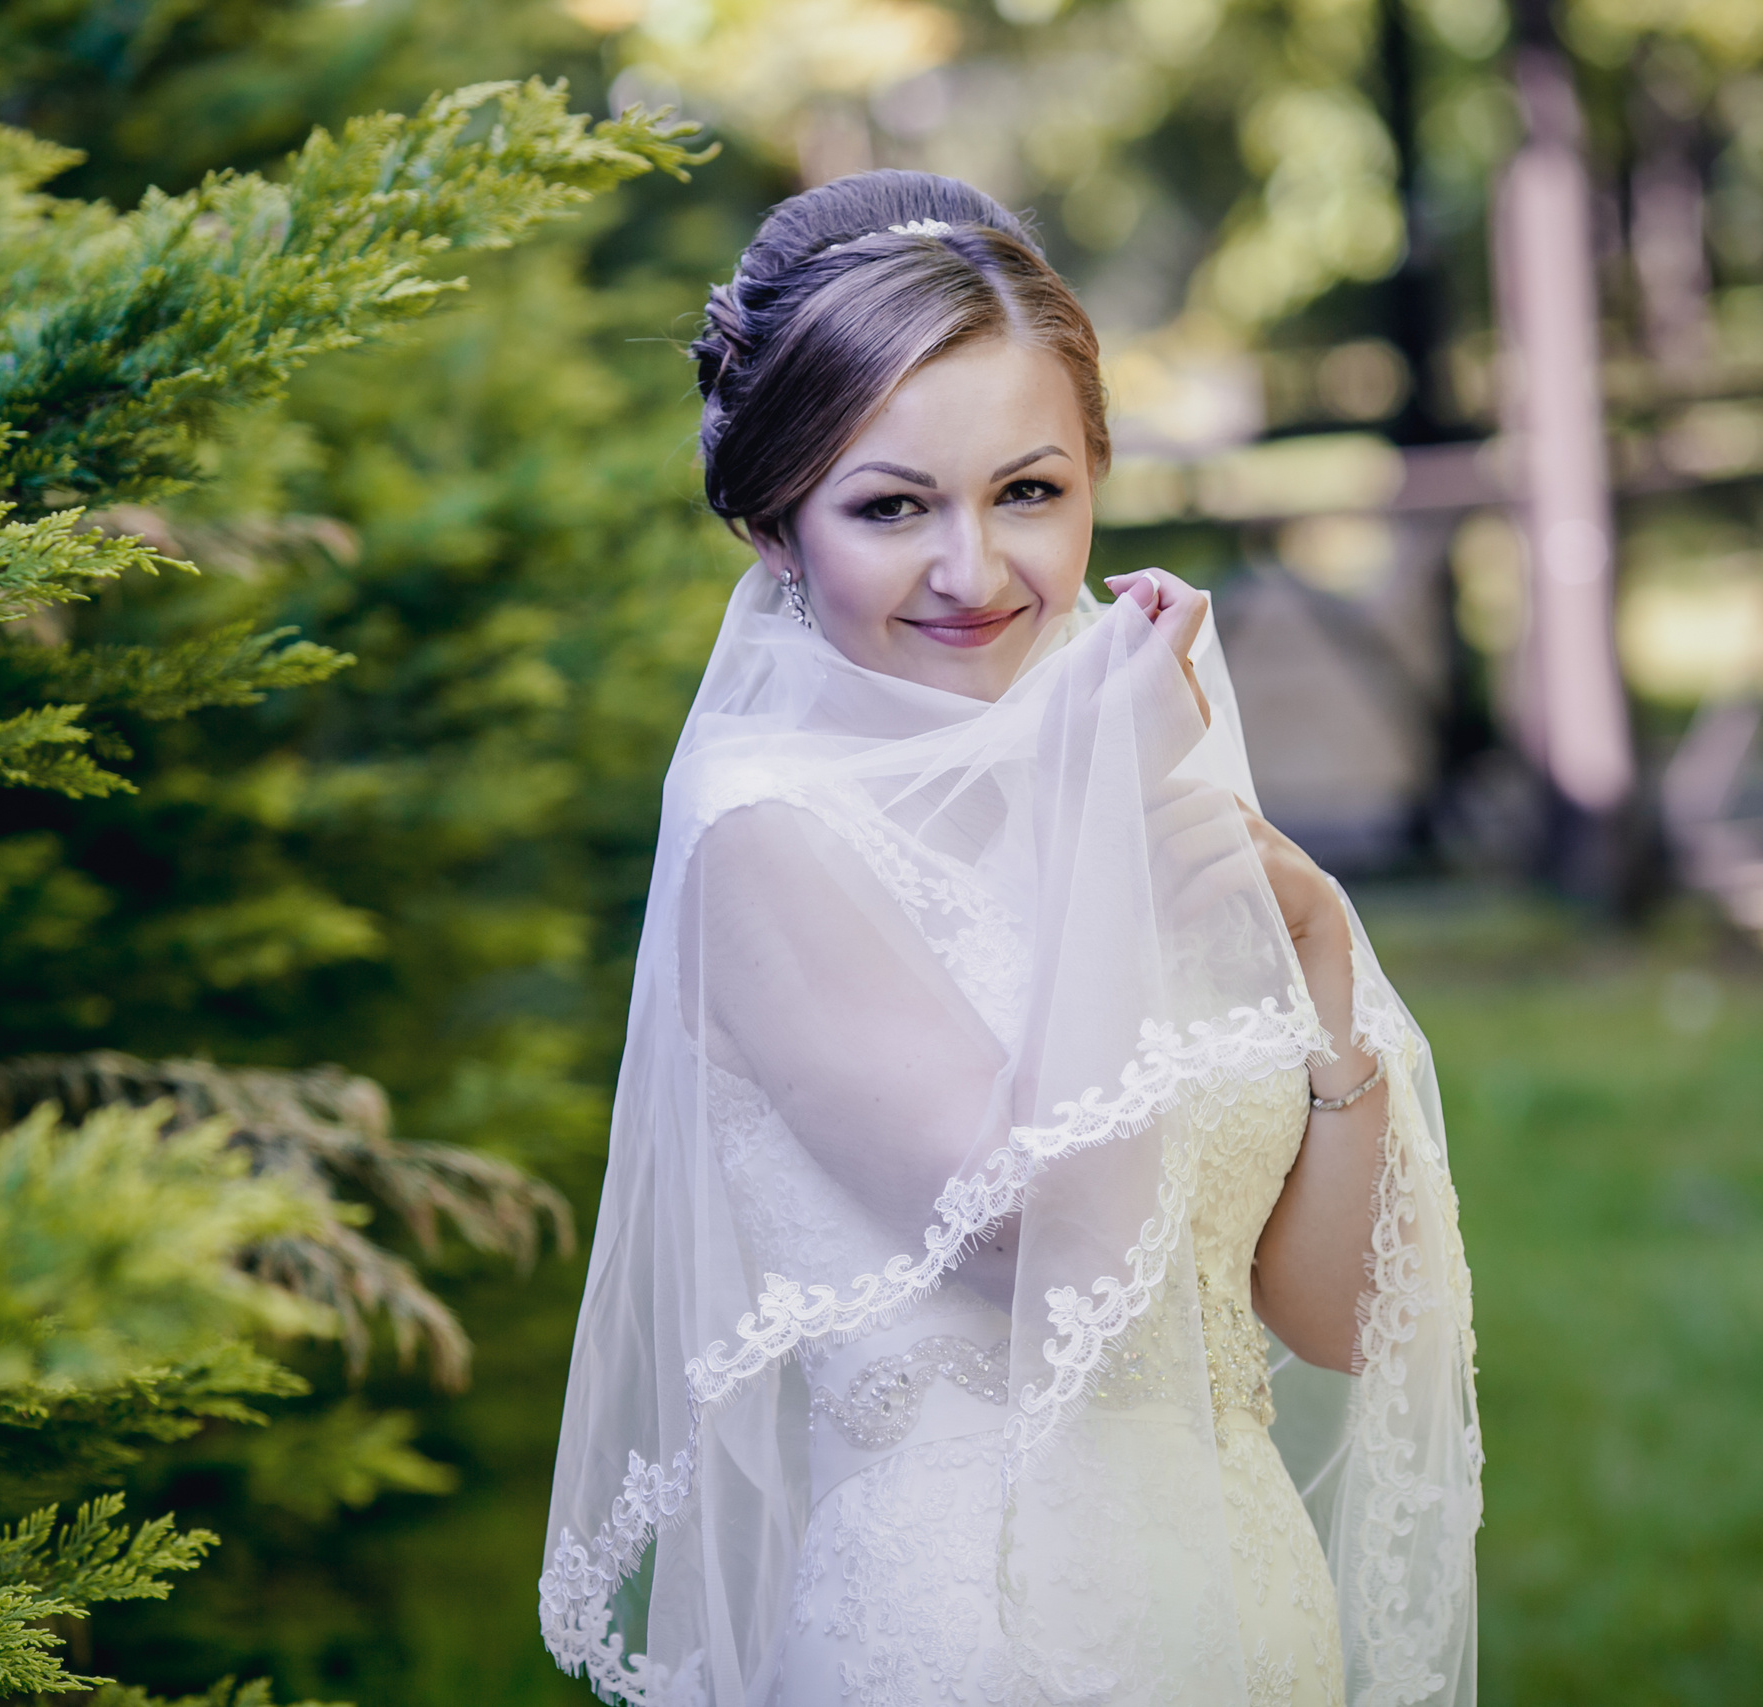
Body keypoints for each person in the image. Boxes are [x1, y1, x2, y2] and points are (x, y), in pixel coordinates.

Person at [538, 171, 1479, 1706]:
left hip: (1244, 1620)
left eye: (1027, 492)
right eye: (891, 506)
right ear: (772, 528)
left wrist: (1316, 947)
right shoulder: (763, 836)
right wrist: (1109, 838)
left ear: (1095, 476)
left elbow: (1341, 1322)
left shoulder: (1125, 745)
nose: (974, 572)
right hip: (970, 1637)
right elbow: (1057, 1243)